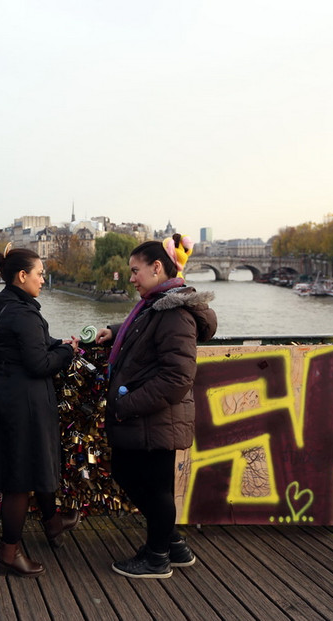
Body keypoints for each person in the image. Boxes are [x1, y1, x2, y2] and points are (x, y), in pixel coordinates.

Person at [95, 234, 217, 579]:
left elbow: (177, 378)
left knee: (155, 488)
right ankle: (172, 544)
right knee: (136, 477)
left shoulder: (174, 310)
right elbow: (148, 332)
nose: (131, 277)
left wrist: (125, 405)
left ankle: (157, 557)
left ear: (157, 267)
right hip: (151, 417)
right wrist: (115, 331)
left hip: (154, 416)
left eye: (136, 270)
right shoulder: (159, 304)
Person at [0, 244, 81, 577]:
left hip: (5, 396)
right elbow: (39, 364)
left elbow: (20, 347)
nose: (43, 279)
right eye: (39, 274)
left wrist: (55, 344)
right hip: (24, 404)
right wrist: (69, 353)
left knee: (33, 462)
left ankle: (52, 522)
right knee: (20, 479)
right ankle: (8, 553)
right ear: (22, 276)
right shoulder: (23, 313)